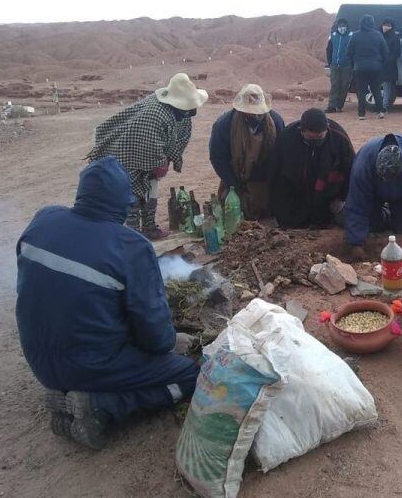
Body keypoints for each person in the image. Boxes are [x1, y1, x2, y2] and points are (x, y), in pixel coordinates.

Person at [16, 157, 199, 449]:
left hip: (38, 360)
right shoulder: (131, 247)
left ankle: (69, 391)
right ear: (121, 204)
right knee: (190, 374)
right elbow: (155, 336)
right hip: (90, 365)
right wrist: (170, 342)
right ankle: (101, 405)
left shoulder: (43, 219)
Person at [87, 73, 207, 239]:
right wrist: (160, 163)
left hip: (150, 152)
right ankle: (133, 235)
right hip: (127, 154)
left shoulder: (177, 112)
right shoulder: (155, 115)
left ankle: (149, 227)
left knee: (151, 189)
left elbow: (175, 136)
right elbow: (149, 148)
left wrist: (163, 160)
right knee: (133, 194)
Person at [345, 133, 402, 259]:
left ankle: (396, 215)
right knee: (373, 227)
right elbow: (357, 203)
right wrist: (356, 243)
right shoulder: (363, 164)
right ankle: (384, 214)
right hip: (373, 194)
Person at [209, 83, 285, 220]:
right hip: (235, 178)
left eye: (259, 113)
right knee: (233, 213)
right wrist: (233, 185)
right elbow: (217, 158)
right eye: (251, 113)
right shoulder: (223, 125)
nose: (255, 116)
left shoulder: (276, 122)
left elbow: (281, 156)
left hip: (264, 180)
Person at [270, 108, 355, 229]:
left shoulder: (339, 138)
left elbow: (351, 169)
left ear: (327, 129)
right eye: (310, 138)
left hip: (325, 193)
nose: (316, 141)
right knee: (289, 222)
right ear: (301, 131)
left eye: (320, 137)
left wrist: (342, 198)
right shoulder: (286, 137)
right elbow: (275, 171)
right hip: (296, 192)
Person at [346, 14, 389, 120]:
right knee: (376, 89)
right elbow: (385, 51)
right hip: (376, 67)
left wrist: (354, 63)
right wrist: (381, 63)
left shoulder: (355, 35)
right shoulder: (378, 35)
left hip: (360, 67)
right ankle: (380, 112)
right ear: (372, 23)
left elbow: (348, 52)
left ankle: (362, 114)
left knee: (361, 91)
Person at [325, 18, 353, 114]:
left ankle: (339, 106)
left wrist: (351, 63)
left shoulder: (351, 36)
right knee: (335, 85)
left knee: (344, 85)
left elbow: (353, 51)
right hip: (335, 65)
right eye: (340, 26)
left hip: (347, 65)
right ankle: (331, 106)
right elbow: (329, 50)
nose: (342, 28)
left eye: (343, 26)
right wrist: (330, 62)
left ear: (346, 26)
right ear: (337, 26)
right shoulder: (333, 36)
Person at [380, 18, 401, 116]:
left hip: (389, 67)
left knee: (387, 87)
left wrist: (387, 60)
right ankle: (381, 106)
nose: (385, 27)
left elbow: (396, 52)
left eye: (388, 25)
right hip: (378, 65)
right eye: (384, 24)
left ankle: (384, 107)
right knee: (379, 87)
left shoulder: (394, 37)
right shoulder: (379, 36)